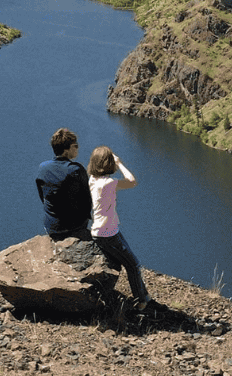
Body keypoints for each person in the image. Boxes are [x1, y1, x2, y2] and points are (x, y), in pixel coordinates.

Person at [87, 145, 151, 308]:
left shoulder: (93, 180)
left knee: (123, 263)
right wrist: (120, 163)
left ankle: (144, 295)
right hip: (107, 234)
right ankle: (141, 301)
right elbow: (132, 181)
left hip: (105, 231)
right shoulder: (107, 183)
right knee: (133, 265)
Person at [35, 128, 92, 240]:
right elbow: (87, 201)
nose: (78, 148)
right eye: (75, 146)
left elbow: (43, 197)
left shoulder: (43, 168)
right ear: (66, 150)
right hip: (74, 227)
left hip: (52, 226)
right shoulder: (76, 169)